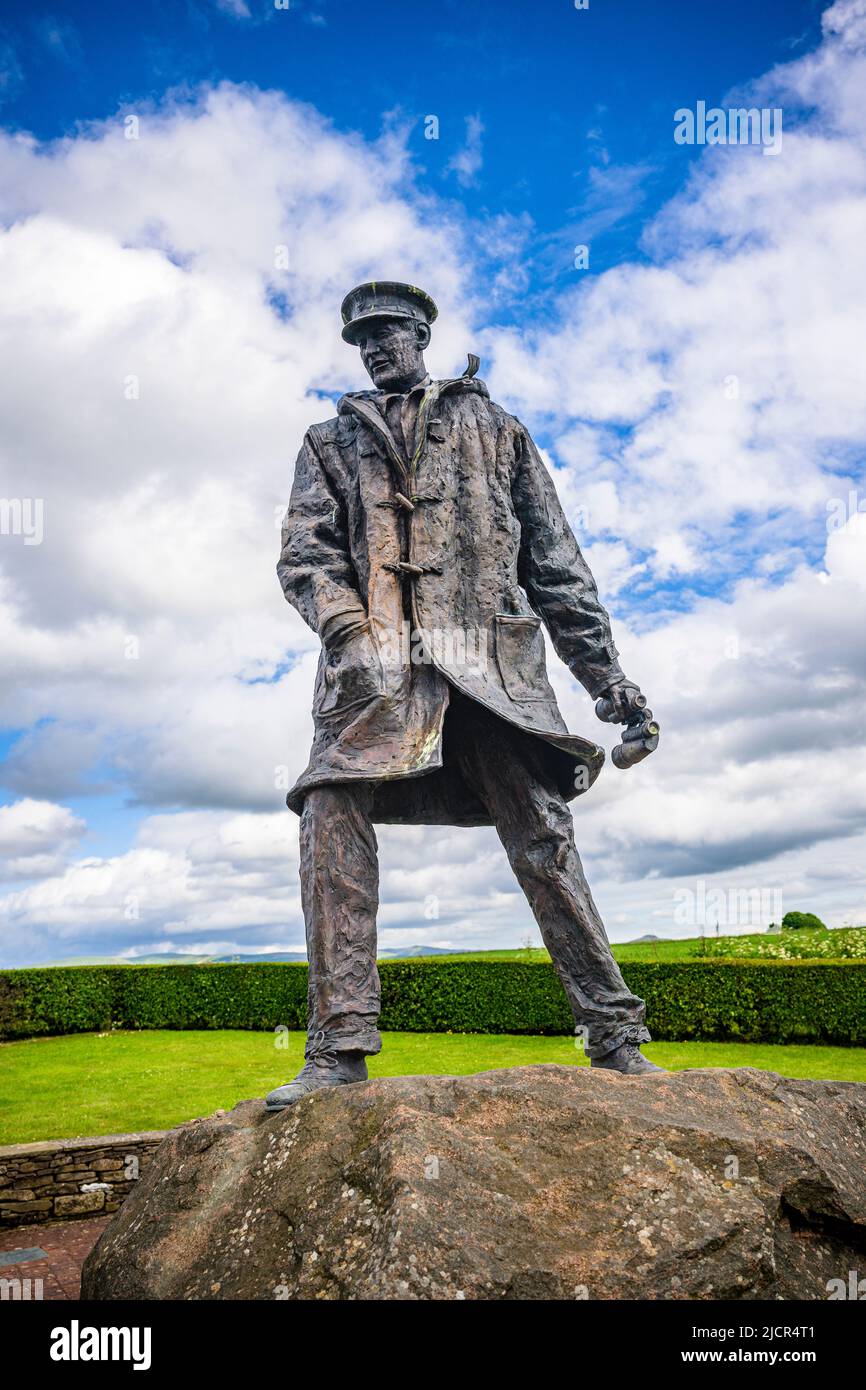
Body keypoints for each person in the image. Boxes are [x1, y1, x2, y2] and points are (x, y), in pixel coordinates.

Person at [267, 281, 661, 1109]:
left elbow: (555, 565)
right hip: (375, 677)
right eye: (363, 338)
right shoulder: (328, 441)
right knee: (328, 810)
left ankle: (615, 1033)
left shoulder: (497, 429)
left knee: (544, 837)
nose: (378, 347)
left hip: (492, 670)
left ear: (423, 335)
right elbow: (304, 556)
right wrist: (348, 630)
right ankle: (338, 1045)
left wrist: (605, 677)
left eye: (392, 332)